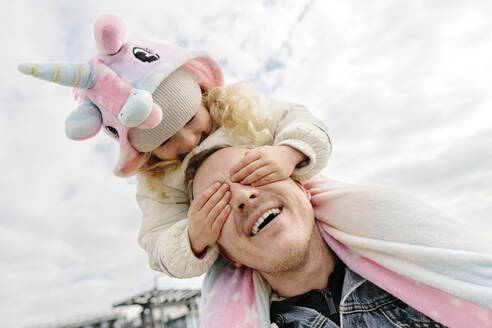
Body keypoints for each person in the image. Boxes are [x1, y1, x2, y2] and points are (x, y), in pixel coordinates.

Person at [18, 13, 331, 278]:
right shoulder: (159, 184)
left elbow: (301, 120)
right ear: (145, 151)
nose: (188, 140)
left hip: (304, 220)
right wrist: (193, 237)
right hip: (250, 262)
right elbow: (156, 244)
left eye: (191, 118)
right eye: (164, 140)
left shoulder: (243, 114)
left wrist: (291, 151)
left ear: (203, 94)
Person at [188, 146, 492, 328]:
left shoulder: (433, 279)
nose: (243, 195)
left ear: (303, 188)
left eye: (254, 171)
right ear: (229, 256)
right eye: (216, 203)